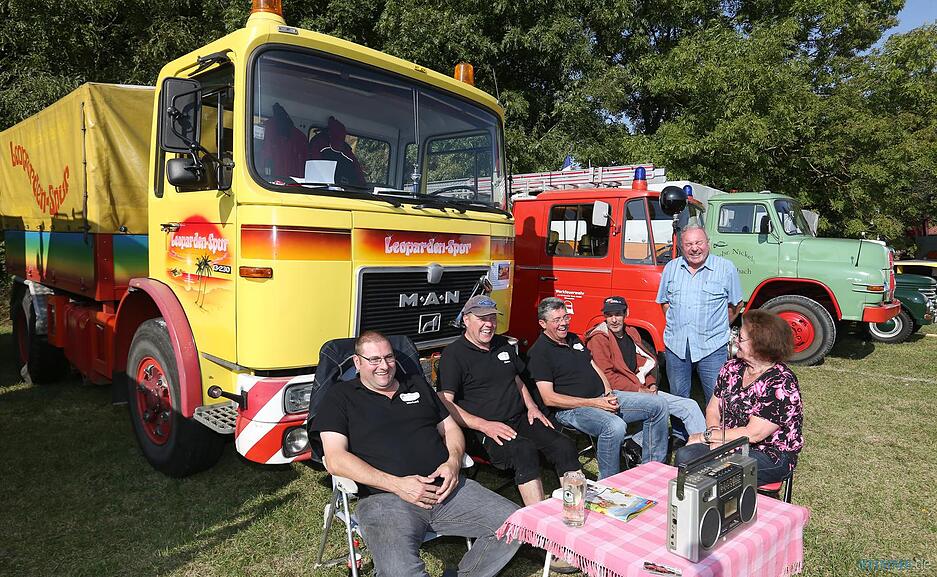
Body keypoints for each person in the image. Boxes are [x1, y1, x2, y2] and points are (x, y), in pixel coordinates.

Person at [309, 331, 520, 577]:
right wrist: (399, 485)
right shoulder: (340, 398)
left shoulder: (417, 385)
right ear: (357, 363)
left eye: (388, 358)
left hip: (446, 490)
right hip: (385, 501)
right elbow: (335, 459)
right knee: (399, 572)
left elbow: (450, 428)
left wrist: (453, 462)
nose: (384, 366)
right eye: (374, 360)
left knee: (515, 524)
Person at [437, 295, 582, 574]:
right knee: (524, 451)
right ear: (466, 319)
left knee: (563, 444)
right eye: (482, 318)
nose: (489, 324)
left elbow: (517, 378)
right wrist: (483, 425)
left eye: (492, 318)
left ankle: (572, 521)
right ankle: (542, 538)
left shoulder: (503, 345)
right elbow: (445, 401)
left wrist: (531, 407)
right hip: (483, 429)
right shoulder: (454, 355)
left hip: (519, 417)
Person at [527, 297, 670, 480]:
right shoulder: (539, 352)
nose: (563, 323)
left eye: (565, 318)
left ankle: (652, 470)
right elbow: (549, 398)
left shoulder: (572, 339)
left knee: (658, 404)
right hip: (572, 410)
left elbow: (593, 365)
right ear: (542, 323)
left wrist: (609, 392)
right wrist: (595, 403)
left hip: (602, 397)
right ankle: (609, 483)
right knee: (614, 426)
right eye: (557, 320)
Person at [674, 310, 804, 485]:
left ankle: (723, 509)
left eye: (741, 338)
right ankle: (694, 506)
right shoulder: (732, 368)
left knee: (719, 470)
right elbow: (713, 407)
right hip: (727, 441)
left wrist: (707, 437)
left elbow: (754, 434)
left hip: (768, 452)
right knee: (685, 456)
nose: (735, 340)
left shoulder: (781, 382)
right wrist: (715, 436)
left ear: (760, 345)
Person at [585, 296, 707, 444]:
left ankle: (704, 450)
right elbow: (607, 377)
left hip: (640, 390)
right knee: (660, 408)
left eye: (618, 314)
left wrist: (651, 384)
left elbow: (643, 363)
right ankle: (638, 444)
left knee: (690, 405)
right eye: (609, 315)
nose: (614, 319)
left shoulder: (631, 332)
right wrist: (639, 390)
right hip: (617, 395)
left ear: (626, 313)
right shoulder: (599, 338)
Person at [656, 224, 743, 402]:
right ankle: (679, 431)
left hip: (712, 346)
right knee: (678, 398)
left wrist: (718, 326)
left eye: (699, 242)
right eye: (688, 244)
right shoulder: (671, 268)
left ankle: (715, 430)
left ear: (707, 243)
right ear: (682, 246)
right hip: (676, 346)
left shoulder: (726, 268)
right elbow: (664, 302)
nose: (694, 248)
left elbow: (736, 304)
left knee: (716, 397)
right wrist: (679, 324)